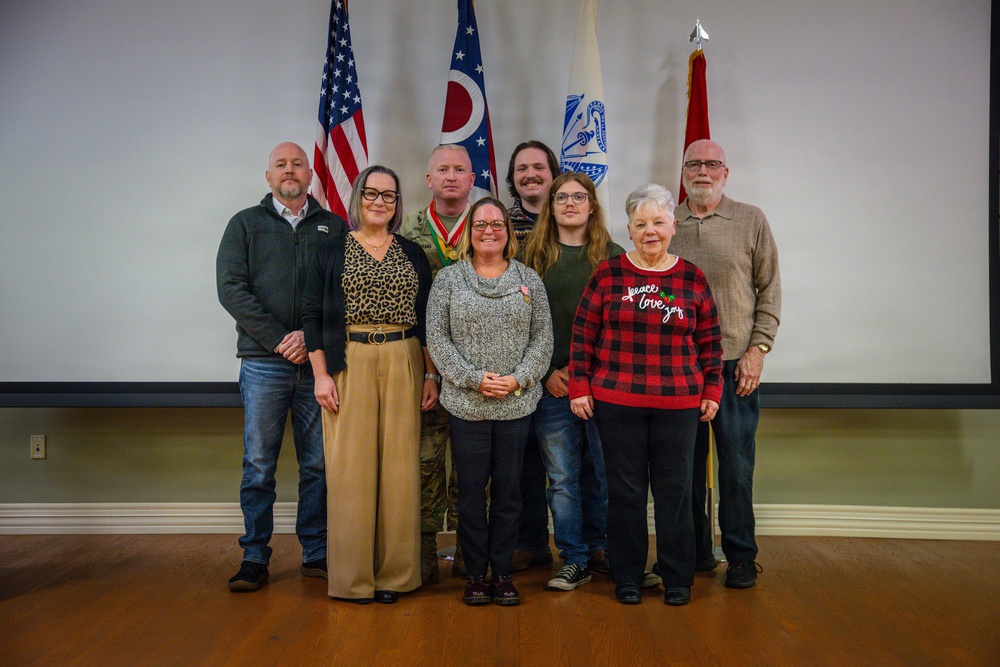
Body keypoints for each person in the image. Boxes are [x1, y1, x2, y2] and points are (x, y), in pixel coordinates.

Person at [568, 183, 722, 606]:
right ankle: (628, 577)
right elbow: (583, 334)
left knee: (675, 494)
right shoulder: (608, 273)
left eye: (658, 222)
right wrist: (579, 385)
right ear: (630, 230)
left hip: (679, 404)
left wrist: (712, 388)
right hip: (618, 402)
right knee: (626, 494)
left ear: (673, 224)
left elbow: (710, 341)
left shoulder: (691, 277)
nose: (649, 231)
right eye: (640, 224)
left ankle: (676, 578)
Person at [301, 165, 436, 604]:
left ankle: (395, 576)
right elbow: (313, 317)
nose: (380, 202)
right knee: (351, 472)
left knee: (399, 470)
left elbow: (427, 320)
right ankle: (354, 579)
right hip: (349, 360)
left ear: (398, 204)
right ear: (358, 197)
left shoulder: (412, 252)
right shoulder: (330, 248)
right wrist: (321, 375)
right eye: (373, 194)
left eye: (390, 196)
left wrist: (431, 373)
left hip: (404, 357)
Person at [216, 141, 348, 592]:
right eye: (280, 164)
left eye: (297, 164)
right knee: (258, 464)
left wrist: (310, 342)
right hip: (263, 364)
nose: (289, 170)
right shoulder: (245, 225)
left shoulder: (334, 227)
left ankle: (316, 551)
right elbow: (231, 289)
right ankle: (254, 556)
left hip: (320, 366)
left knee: (318, 464)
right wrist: (278, 339)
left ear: (310, 175)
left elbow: (342, 294)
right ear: (268, 176)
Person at [426, 197, 553, 606]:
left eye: (497, 224)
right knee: (470, 492)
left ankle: (502, 573)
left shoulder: (529, 280)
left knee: (509, 491)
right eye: (480, 224)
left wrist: (517, 379)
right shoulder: (448, 280)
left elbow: (543, 340)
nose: (489, 231)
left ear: (508, 231)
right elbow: (437, 340)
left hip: (516, 405)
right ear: (469, 231)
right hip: (467, 405)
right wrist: (473, 379)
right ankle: (474, 575)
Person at [671, 139, 781, 589]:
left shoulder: (750, 219)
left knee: (736, 468)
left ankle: (739, 557)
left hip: (735, 366)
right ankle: (695, 554)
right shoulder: (666, 220)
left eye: (711, 163)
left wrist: (759, 349)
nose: (702, 170)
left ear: (725, 172)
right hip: (678, 369)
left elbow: (769, 289)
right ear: (682, 172)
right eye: (693, 163)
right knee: (684, 470)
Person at [522, 172, 624, 590]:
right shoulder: (532, 256)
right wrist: (546, 374)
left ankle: (601, 546)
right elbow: (518, 325)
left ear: (592, 205)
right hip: (552, 387)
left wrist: (593, 375)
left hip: (602, 385)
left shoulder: (613, 256)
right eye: (560, 197)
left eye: (578, 197)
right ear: (551, 206)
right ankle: (574, 556)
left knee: (602, 473)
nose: (569, 203)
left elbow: (623, 327)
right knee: (562, 478)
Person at [400, 144, 476, 581]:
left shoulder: (489, 225)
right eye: (442, 169)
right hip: (423, 364)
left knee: (472, 462)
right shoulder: (407, 231)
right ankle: (424, 548)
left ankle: (471, 547)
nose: (451, 176)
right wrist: (429, 369)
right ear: (429, 179)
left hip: (476, 365)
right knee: (425, 459)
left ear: (471, 179)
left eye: (459, 169)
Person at [504, 140, 560, 573]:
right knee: (521, 461)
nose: (530, 175)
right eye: (522, 169)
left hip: (565, 366)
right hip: (513, 363)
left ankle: (582, 543)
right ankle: (530, 541)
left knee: (569, 463)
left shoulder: (575, 223)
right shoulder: (498, 226)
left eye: (538, 167)